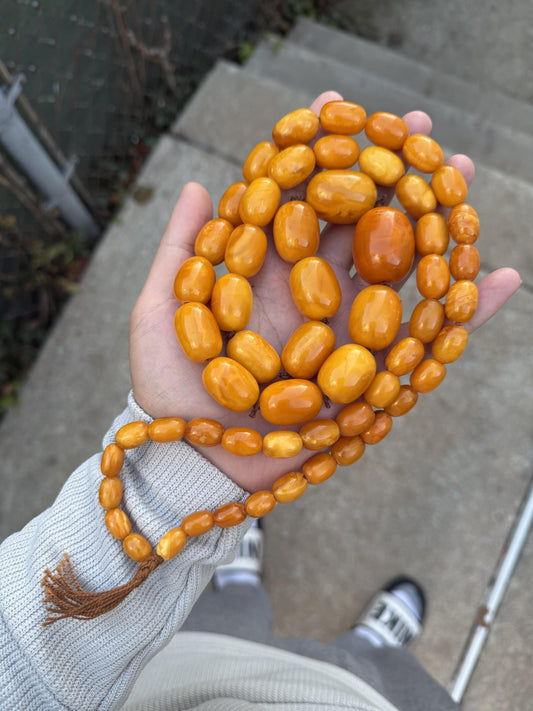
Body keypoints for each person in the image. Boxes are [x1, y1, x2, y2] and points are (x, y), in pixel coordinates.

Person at [0, 91, 521, 710]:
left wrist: (160, 501)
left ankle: (244, 585)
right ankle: (372, 646)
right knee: (371, 677)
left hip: (176, 680)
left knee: (223, 623)